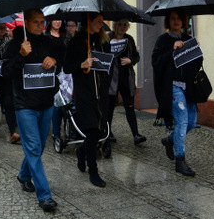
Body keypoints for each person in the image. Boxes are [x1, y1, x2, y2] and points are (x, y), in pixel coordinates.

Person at [2, 8, 59, 211]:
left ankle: (24, 175)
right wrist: (21, 55)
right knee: (34, 148)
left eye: (42, 21)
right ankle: (44, 195)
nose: (40, 25)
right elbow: (6, 73)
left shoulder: (49, 42)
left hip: (46, 103)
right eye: (35, 22)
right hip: (24, 105)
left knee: (40, 147)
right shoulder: (13, 46)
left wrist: (54, 62)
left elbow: (59, 66)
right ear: (25, 23)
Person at [151, 9, 202, 177]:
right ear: (168, 21)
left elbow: (197, 64)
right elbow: (156, 63)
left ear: (184, 21)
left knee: (192, 122)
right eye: (173, 18)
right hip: (172, 87)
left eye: (179, 18)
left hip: (189, 87)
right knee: (181, 119)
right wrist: (172, 50)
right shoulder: (163, 40)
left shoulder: (188, 39)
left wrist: (196, 50)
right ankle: (180, 161)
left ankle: (170, 140)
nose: (176, 21)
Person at [64, 13, 110, 187]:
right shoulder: (76, 42)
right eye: (98, 21)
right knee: (91, 131)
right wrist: (81, 65)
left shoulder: (104, 41)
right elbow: (67, 67)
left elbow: (108, 64)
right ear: (88, 21)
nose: (101, 24)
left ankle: (82, 150)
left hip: (102, 94)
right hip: (85, 94)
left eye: (101, 20)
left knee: (99, 132)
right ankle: (94, 171)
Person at [107, 19, 146, 145]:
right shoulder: (108, 38)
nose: (122, 27)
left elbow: (136, 55)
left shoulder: (129, 39)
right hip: (111, 78)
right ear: (115, 25)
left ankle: (136, 135)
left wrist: (131, 60)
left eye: (125, 25)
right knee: (109, 107)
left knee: (129, 106)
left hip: (126, 78)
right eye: (119, 24)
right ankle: (108, 133)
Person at [44, 20, 68, 142]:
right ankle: (56, 133)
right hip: (52, 74)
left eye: (60, 20)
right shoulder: (45, 36)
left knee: (67, 103)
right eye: (55, 19)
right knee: (57, 104)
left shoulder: (66, 35)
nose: (58, 22)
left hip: (67, 74)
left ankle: (68, 129)